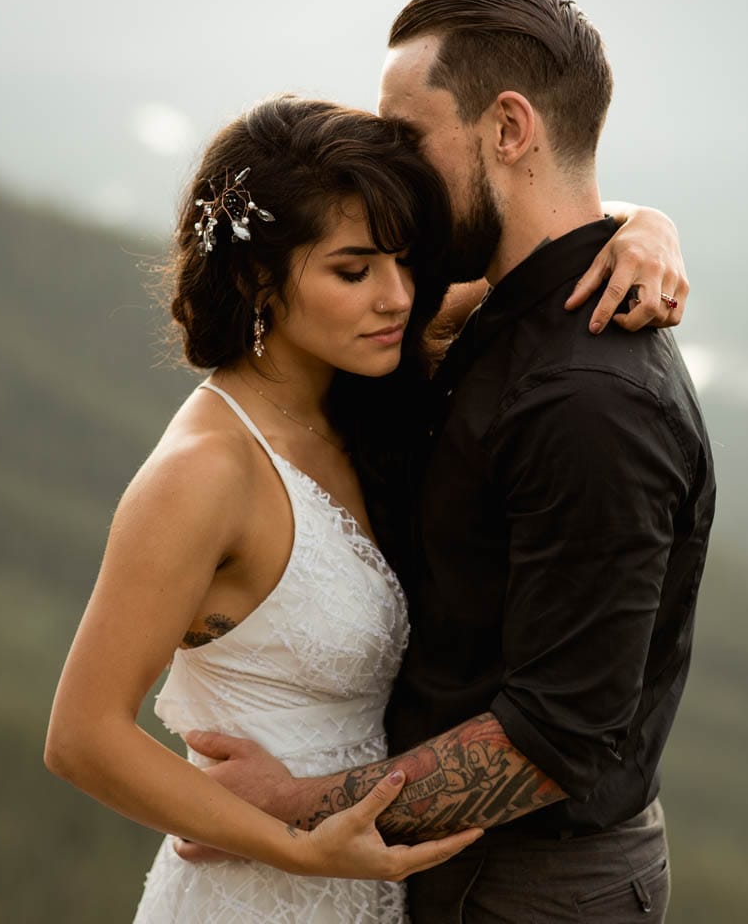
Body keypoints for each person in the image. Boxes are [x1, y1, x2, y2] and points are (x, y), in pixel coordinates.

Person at [43, 94, 690, 921]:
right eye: (353, 271)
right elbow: (82, 735)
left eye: (404, 261)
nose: (397, 296)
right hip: (258, 890)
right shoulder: (204, 471)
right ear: (256, 280)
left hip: (371, 886)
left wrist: (647, 226)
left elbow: (552, 239)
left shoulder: (366, 376)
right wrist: (291, 844)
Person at [178, 0, 716, 923]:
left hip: (528, 890)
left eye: (406, 133)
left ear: (508, 130)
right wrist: (642, 220)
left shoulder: (588, 403)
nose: (390, 163)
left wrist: (293, 813)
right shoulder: (498, 311)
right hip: (452, 872)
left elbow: (555, 739)